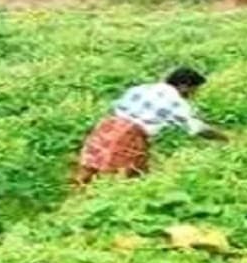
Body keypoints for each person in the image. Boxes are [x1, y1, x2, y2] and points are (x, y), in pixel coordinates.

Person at [74, 67, 227, 187]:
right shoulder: (175, 102)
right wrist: (224, 138)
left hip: (108, 125)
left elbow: (116, 105)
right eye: (195, 90)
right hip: (129, 133)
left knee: (90, 164)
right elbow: (198, 128)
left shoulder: (142, 88)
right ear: (184, 86)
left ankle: (75, 198)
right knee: (125, 174)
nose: (194, 94)